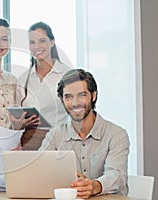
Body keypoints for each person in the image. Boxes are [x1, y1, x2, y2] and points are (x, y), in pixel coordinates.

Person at [39, 69, 130, 199]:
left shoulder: (117, 134)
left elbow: (117, 175)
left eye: (82, 95)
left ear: (93, 96)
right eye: (68, 97)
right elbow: (39, 170)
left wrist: (95, 185)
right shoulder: (54, 135)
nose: (75, 103)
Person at [16, 22, 71, 149]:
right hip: (28, 142)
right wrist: (20, 123)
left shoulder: (66, 75)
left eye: (42, 41)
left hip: (58, 143)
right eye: (32, 42)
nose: (37, 46)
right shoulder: (23, 79)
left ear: (52, 42)